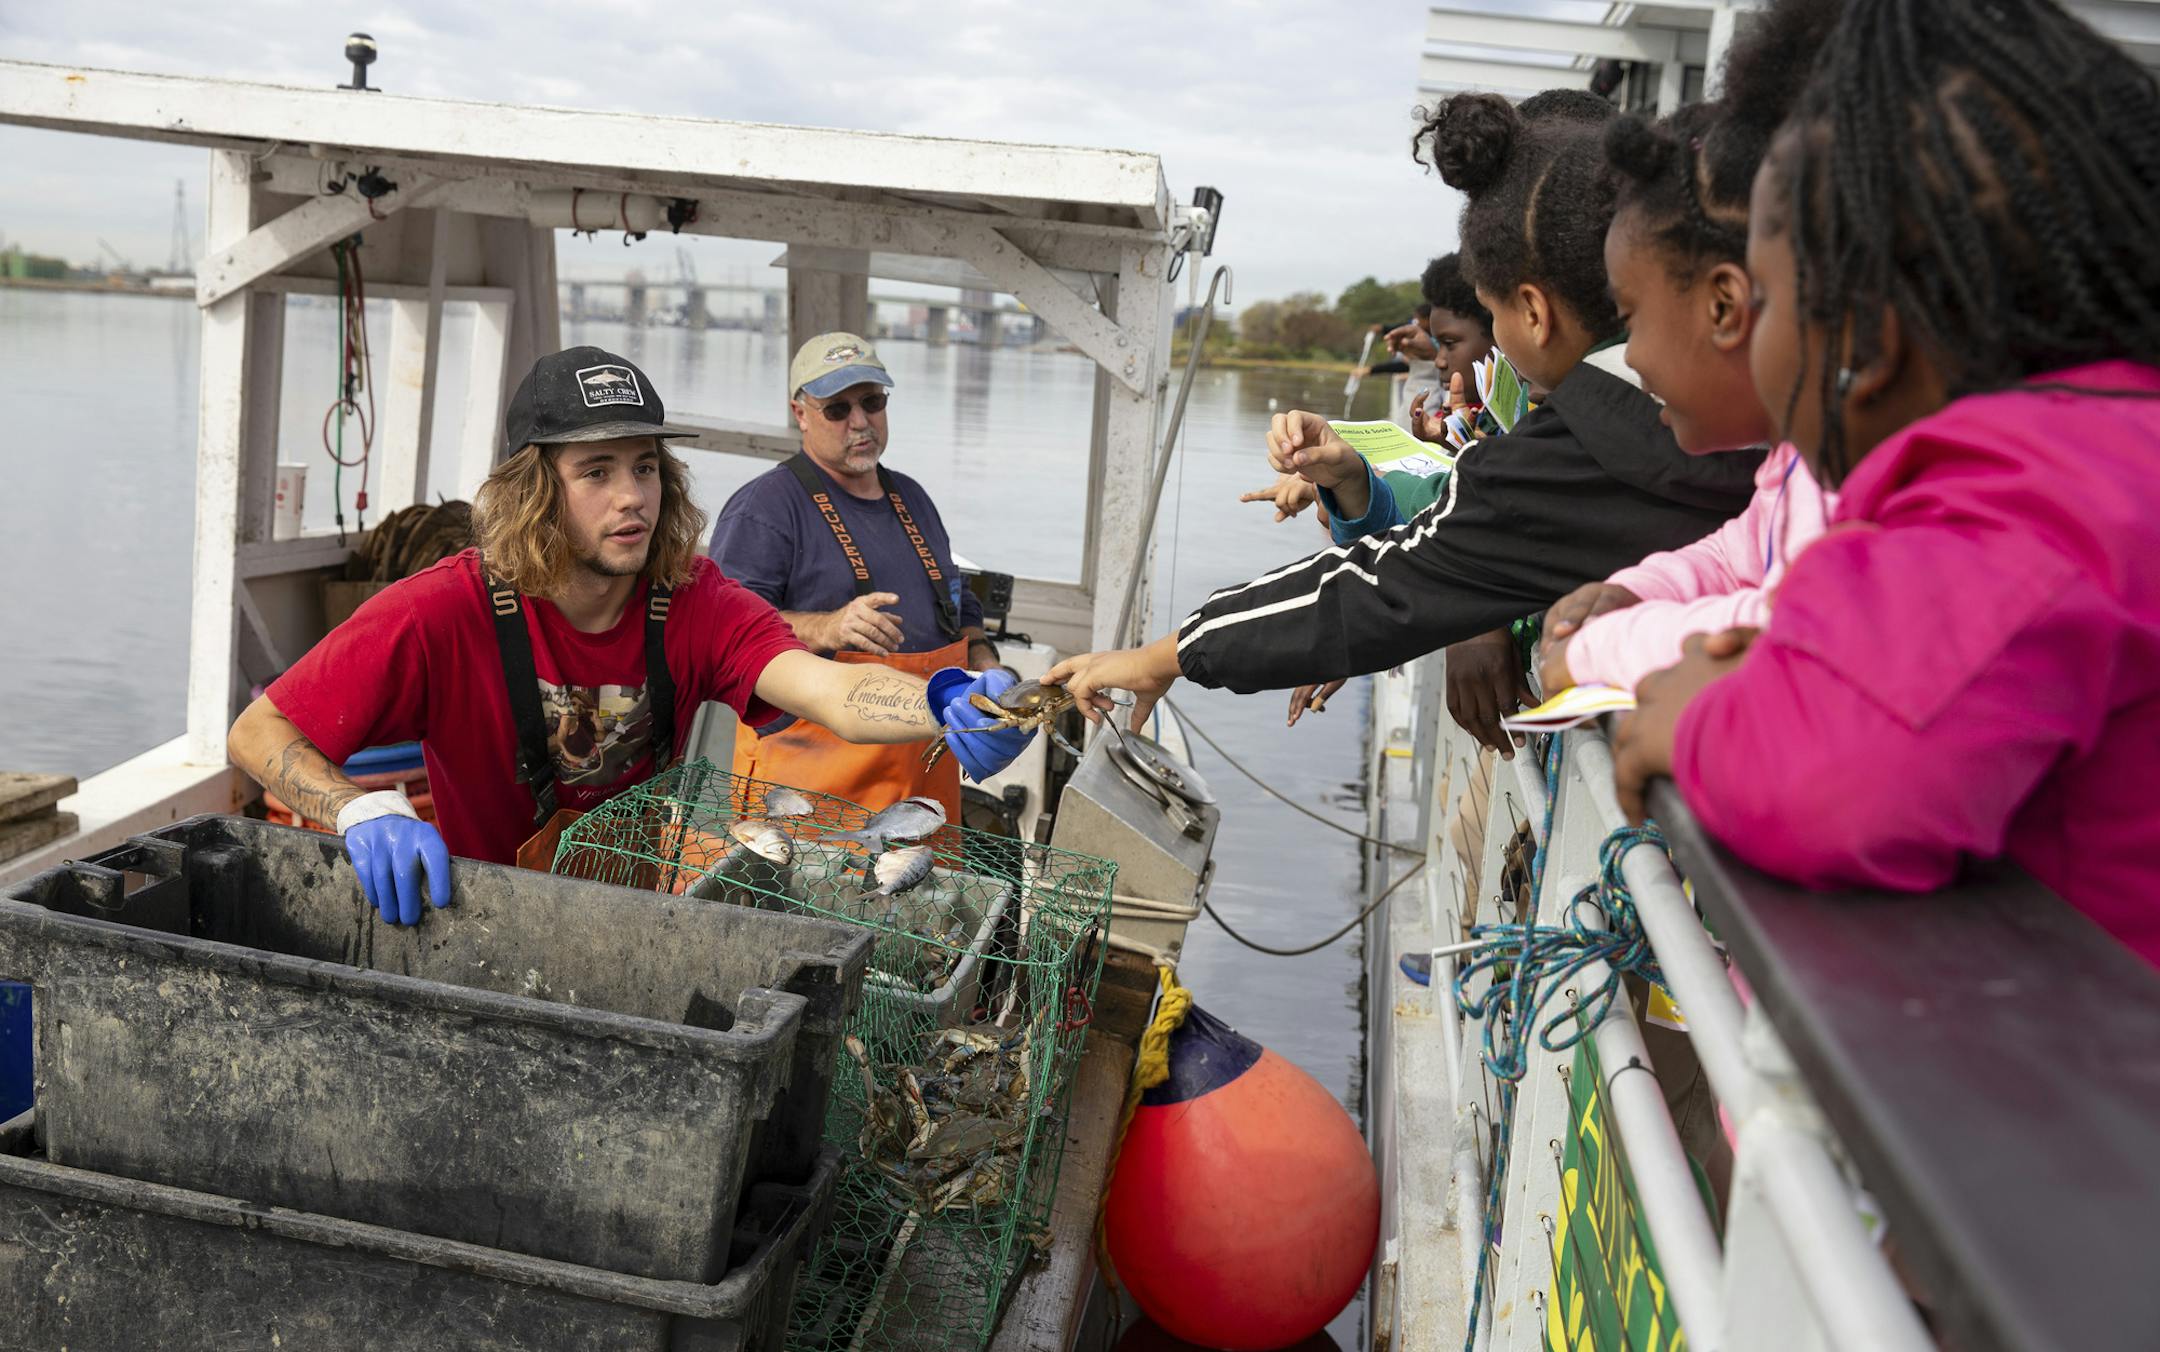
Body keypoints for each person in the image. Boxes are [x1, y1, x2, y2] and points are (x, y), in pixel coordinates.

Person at [1612, 0, 2160, 966]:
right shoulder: (2104, 452)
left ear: (1862, 339)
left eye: (1772, 294)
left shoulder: (2026, 493)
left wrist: (1696, 711)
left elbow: (1838, 777)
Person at [1048, 93, 1760, 749]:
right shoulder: (1755, 405)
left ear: (1533, 313)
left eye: (1494, 313)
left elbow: (1382, 587)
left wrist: (1162, 655)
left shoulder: (1596, 443)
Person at [227, 346, 1029, 925]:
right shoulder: (442, 611)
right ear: (535, 489)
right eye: (597, 471)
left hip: (639, 918)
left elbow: (831, 688)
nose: (631, 498)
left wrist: (942, 699)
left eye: (645, 467)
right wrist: (356, 814)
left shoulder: (691, 598)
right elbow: (259, 732)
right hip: (478, 918)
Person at [1537, 0, 1845, 695]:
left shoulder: (1852, 469)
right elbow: (1743, 552)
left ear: (1726, 306)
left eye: (1631, 319)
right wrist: (1641, 591)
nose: (1632, 356)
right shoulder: (1796, 461)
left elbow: (1793, 630)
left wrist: (1600, 650)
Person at [706, 334, 1008, 822]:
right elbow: (723, 633)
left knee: (923, 897)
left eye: (872, 402)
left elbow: (960, 609)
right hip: (811, 798)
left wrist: (989, 669)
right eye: (837, 409)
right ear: (800, 413)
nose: (860, 420)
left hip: (925, 786)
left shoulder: (913, 498)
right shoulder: (763, 508)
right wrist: (827, 627)